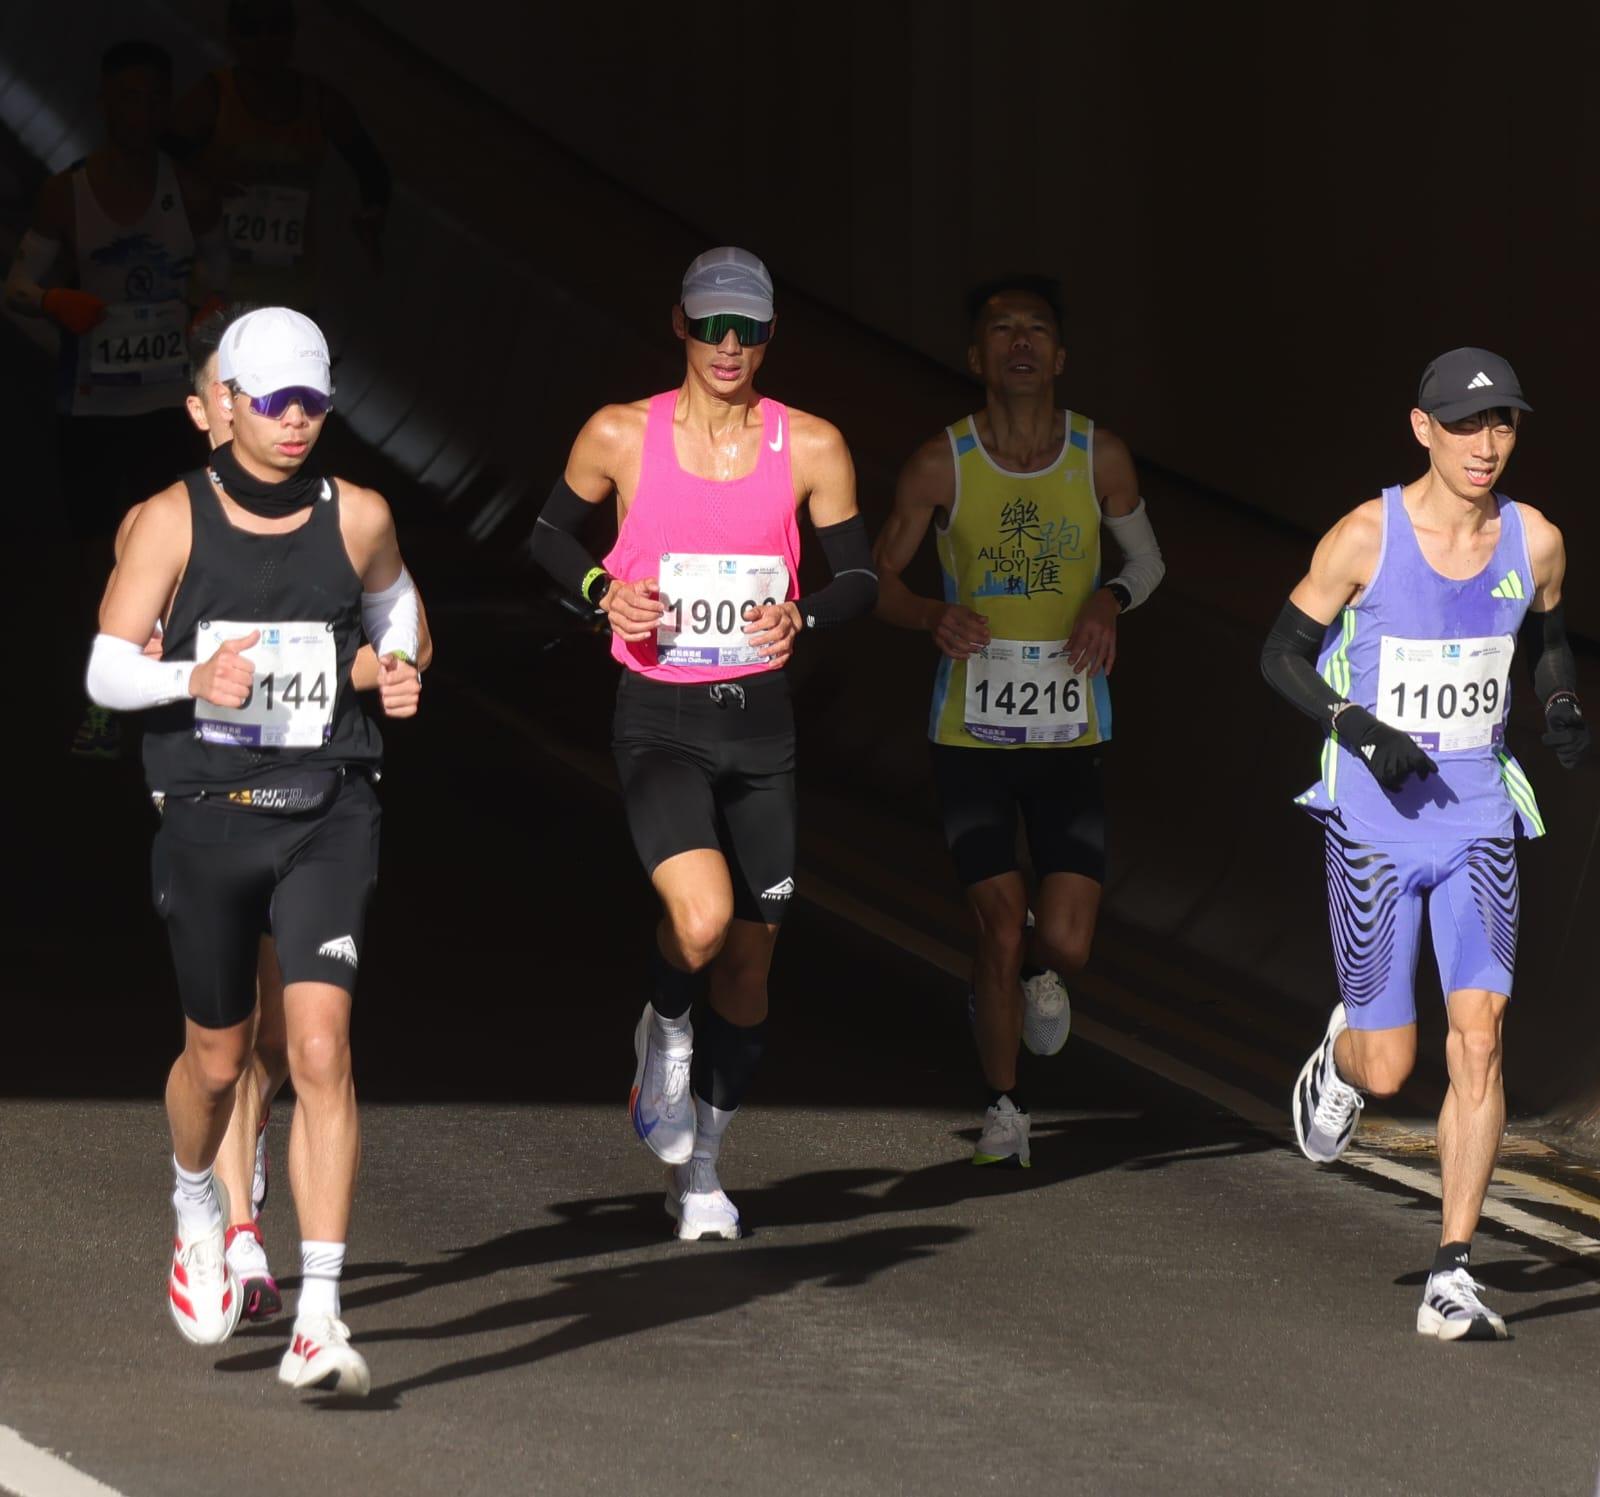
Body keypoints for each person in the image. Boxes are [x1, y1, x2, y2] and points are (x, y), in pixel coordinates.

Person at [89, 306, 424, 1394]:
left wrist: (404, 663)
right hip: (206, 810)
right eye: (275, 399)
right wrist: (191, 678)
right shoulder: (169, 522)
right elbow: (103, 672)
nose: (296, 420)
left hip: (329, 805)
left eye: (313, 401)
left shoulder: (360, 515)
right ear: (225, 403)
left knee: (320, 1047)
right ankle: (197, 1198)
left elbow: (398, 609)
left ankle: (319, 1316)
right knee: (222, 1060)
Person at [531, 247, 876, 1240]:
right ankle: (664, 1030)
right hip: (660, 720)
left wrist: (803, 616)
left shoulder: (810, 445)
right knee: (699, 917)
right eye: (712, 325)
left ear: (771, 337)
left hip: (761, 728)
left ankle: (704, 1173)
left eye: (750, 330)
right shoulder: (619, 433)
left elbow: (856, 578)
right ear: (680, 324)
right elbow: (549, 535)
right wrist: (605, 593)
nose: (730, 346)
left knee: (752, 969)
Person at [1261, 347, 1589, 1340]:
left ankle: (1452, 1269)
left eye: (1500, 427)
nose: (1485, 446)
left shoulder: (1534, 542)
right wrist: (1359, 729)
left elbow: (1548, 637)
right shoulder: (1365, 537)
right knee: (1392, 1065)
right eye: (1462, 427)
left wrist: (1561, 697)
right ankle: (1339, 1060)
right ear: (1421, 429)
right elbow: (1277, 654)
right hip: (1372, 823)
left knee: (1480, 1041)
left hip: (1479, 817)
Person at [873, 275, 1165, 1168]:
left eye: (1037, 328)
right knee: (997, 924)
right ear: (978, 357)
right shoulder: (939, 463)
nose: (1022, 342)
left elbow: (1148, 562)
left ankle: (1036, 975)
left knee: (1064, 942)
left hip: (1070, 734)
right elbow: (876, 583)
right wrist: (930, 615)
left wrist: (1109, 600)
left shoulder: (1099, 454)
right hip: (970, 737)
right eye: (1002, 330)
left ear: (1061, 356)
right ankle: (1005, 1108)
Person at [4, 39, 226, 759]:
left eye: (153, 99)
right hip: (93, 411)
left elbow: (223, 286)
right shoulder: (66, 193)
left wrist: (206, 311)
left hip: (166, 408)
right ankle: (101, 702)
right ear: (105, 103)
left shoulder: (188, 190)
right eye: (127, 98)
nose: (141, 112)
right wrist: (54, 300)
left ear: (166, 106)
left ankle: (181, 699)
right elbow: (13, 288)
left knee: (183, 557)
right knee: (99, 560)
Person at [166, 0, 392, 310]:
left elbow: (372, 170)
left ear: (292, 35)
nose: (264, 41)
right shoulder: (210, 99)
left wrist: (373, 213)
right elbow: (159, 166)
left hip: (291, 292)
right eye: (251, 30)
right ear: (232, 36)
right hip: (215, 289)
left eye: (276, 29)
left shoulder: (322, 103)